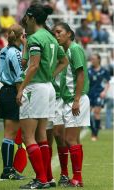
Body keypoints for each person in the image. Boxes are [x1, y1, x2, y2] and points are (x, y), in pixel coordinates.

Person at [17, 4, 68, 189]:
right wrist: (51, 74)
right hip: (48, 88)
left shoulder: (36, 37)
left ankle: (41, 179)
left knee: (27, 136)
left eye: (26, 17)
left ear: (31, 17)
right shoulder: (51, 37)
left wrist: (21, 88)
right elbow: (64, 60)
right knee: (41, 136)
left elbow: (33, 65)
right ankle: (48, 178)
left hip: (35, 88)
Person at [53, 22, 90, 187]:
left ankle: (77, 178)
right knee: (71, 139)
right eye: (55, 33)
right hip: (70, 99)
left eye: (59, 32)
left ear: (69, 33)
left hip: (76, 100)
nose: (57, 35)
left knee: (69, 139)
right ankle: (77, 178)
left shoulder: (74, 49)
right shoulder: (66, 51)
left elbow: (80, 74)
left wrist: (76, 100)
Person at [0, 24, 26, 181]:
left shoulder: (3, 51)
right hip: (14, 91)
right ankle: (7, 171)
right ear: (21, 36)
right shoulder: (16, 53)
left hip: (4, 91)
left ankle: (8, 169)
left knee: (8, 133)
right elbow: (18, 75)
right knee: (10, 134)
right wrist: (20, 92)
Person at [88, 54, 110, 141]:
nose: (92, 60)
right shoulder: (89, 70)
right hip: (89, 94)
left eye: (93, 59)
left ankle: (95, 134)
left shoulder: (104, 71)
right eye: (91, 59)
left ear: (98, 60)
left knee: (97, 112)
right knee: (86, 114)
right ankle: (93, 130)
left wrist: (104, 92)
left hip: (99, 94)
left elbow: (107, 83)